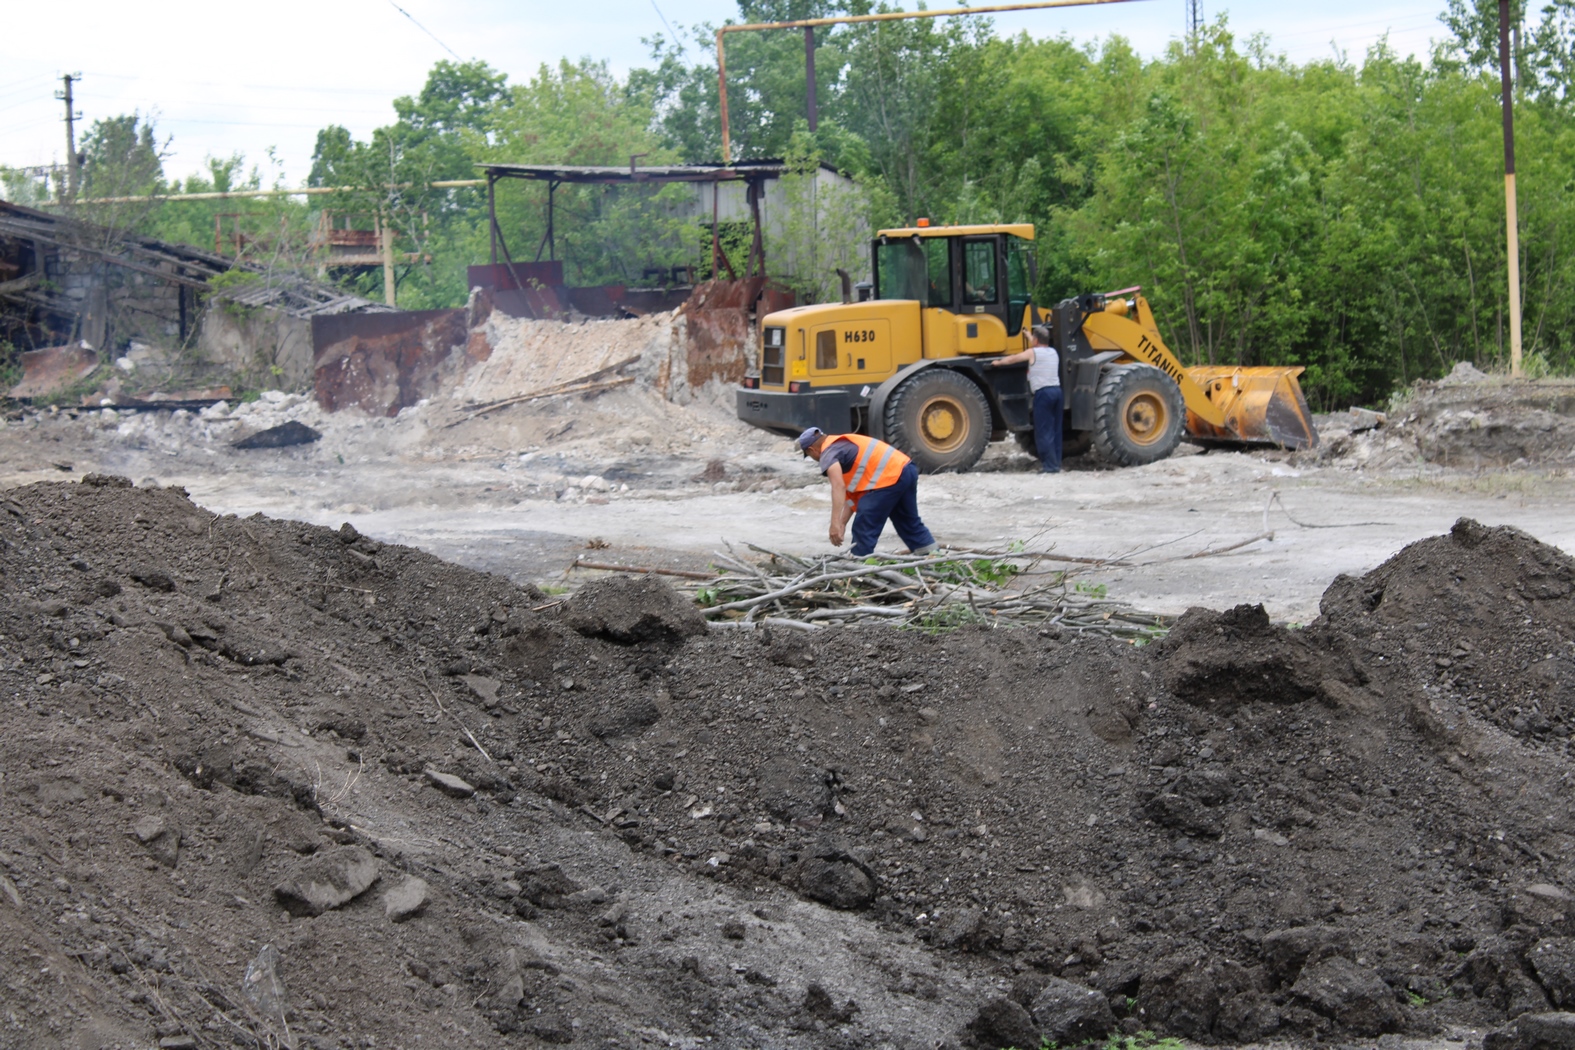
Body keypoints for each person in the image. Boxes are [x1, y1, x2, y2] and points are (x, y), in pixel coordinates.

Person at [797, 427, 937, 557]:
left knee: (863, 526)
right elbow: (852, 495)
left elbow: (838, 486)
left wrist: (833, 524)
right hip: (906, 470)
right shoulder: (843, 444)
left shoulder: (828, 453)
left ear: (811, 449)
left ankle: (859, 571)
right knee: (908, 522)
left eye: (809, 455)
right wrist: (842, 523)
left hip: (888, 479)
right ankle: (933, 559)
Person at [990, 324, 1062, 473]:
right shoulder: (1053, 352)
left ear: (1036, 340)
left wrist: (998, 363)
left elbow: (1013, 359)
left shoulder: (1032, 353)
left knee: (1043, 431)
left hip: (1043, 394)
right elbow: (1037, 345)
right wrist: (1028, 335)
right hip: (1057, 392)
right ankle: (1056, 463)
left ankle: (1049, 467)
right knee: (1055, 429)